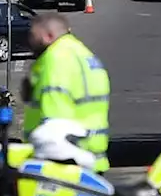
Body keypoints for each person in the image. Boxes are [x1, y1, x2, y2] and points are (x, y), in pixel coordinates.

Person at [21, 13, 111, 172]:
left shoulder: (55, 59)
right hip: (93, 158)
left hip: (66, 163)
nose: (30, 42)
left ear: (48, 36)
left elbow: (54, 121)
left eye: (33, 37)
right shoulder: (84, 54)